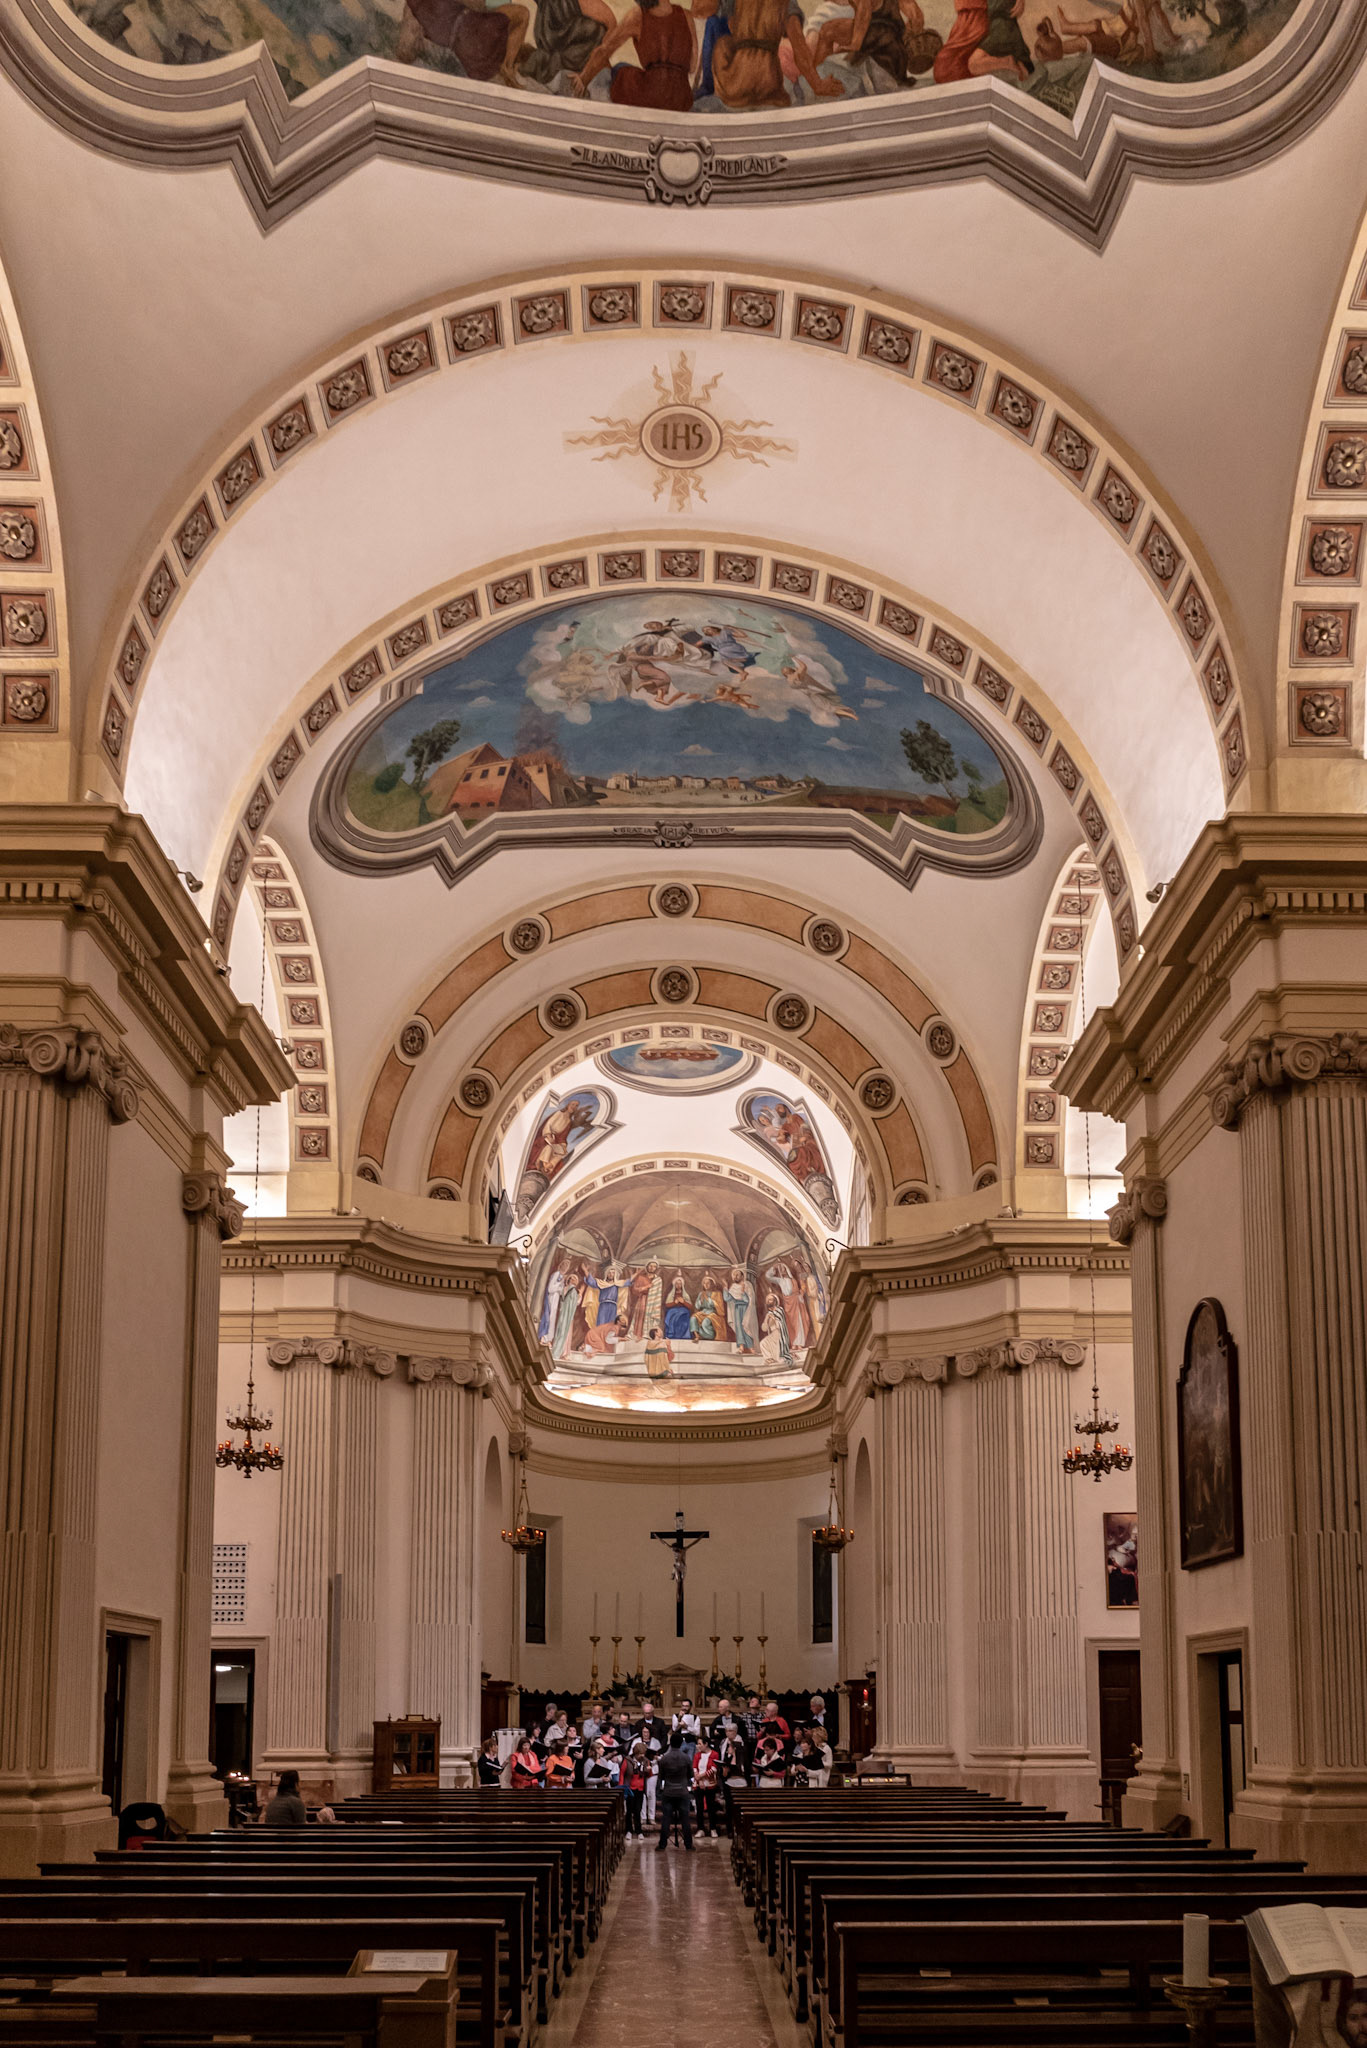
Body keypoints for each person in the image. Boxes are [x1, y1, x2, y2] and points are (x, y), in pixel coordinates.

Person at [655, 1730, 695, 1850]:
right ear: (681, 1743)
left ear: (670, 1743)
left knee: (666, 1819)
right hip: (682, 1791)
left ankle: (662, 1844)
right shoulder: (686, 1758)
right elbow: (690, 1775)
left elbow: (661, 1776)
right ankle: (688, 1844)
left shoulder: (664, 1759)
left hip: (668, 1791)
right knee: (685, 1819)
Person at [719, 1730, 749, 1835]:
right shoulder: (727, 1759)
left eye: (730, 1747)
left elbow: (747, 1773)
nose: (728, 1749)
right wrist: (724, 1772)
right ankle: (730, 1830)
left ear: (734, 1748)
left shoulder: (743, 1760)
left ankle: (741, 1829)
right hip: (729, 1784)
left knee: (740, 1808)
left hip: (741, 1784)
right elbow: (723, 1775)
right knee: (729, 1807)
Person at [693, 1732, 722, 1837]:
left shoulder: (715, 1754)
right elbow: (695, 1767)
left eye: (700, 1744)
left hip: (710, 1784)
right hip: (698, 1784)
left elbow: (713, 1769)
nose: (698, 1746)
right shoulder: (697, 1755)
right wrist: (699, 1779)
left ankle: (713, 1828)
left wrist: (701, 1776)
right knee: (699, 1807)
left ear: (706, 1744)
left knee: (711, 1807)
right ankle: (700, 1828)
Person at [622, 1741, 647, 1838]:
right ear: (636, 1753)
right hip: (630, 1789)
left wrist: (648, 1770)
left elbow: (648, 1774)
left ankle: (639, 1830)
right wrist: (622, 1788)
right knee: (629, 1811)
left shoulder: (645, 1761)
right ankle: (628, 1830)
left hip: (640, 1789)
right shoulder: (627, 1760)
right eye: (640, 1753)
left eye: (643, 1753)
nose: (642, 1755)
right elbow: (622, 1774)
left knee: (638, 1810)